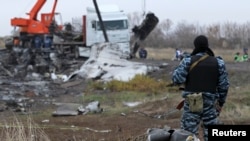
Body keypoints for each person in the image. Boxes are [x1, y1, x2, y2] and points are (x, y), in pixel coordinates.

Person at [171, 35, 229, 141]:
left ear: (195, 46)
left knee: (188, 135)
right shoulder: (218, 62)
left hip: (192, 103)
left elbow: (177, 79)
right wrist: (221, 102)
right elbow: (224, 86)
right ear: (207, 46)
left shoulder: (188, 61)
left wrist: (177, 68)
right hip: (210, 104)